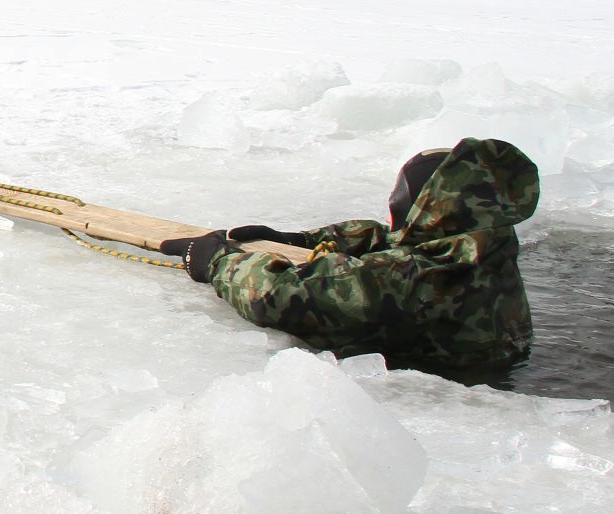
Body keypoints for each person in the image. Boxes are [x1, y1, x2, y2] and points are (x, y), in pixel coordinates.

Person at [160, 138, 539, 376]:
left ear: (430, 206)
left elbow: (279, 295)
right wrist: (301, 239)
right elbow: (389, 240)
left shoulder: (424, 276)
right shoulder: (484, 248)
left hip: (446, 395)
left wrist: (216, 261)